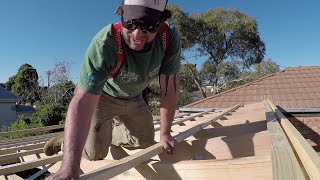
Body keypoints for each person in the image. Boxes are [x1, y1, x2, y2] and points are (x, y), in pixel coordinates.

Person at [44, 0, 181, 179]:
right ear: (122, 15)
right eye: (130, 23)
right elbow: (82, 101)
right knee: (94, 153)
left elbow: (168, 89)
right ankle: (64, 143)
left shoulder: (167, 38)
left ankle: (109, 135)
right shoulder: (105, 43)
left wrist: (165, 133)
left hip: (134, 97)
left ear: (161, 22)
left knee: (146, 142)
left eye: (148, 26)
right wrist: (70, 165)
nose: (137, 34)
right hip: (103, 97)